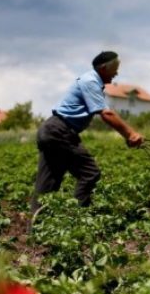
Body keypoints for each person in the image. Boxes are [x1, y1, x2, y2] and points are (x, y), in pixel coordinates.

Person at [29, 51, 144, 217]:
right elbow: (107, 114)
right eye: (115, 70)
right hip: (59, 131)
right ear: (104, 68)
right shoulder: (90, 81)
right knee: (90, 173)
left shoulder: (90, 81)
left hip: (50, 129)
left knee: (47, 184)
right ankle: (77, 219)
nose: (116, 74)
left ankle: (37, 229)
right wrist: (131, 134)